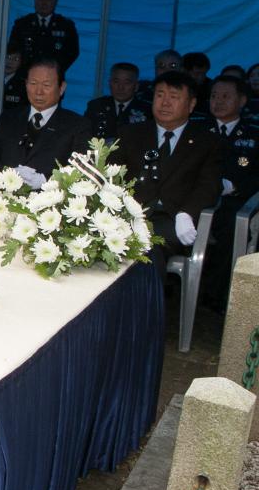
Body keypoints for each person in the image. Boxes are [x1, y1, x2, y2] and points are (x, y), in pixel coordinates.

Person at [110, 70, 222, 276]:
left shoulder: (206, 141)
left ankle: (144, 306)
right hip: (129, 216)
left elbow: (210, 185)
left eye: (174, 97)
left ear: (191, 104)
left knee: (147, 249)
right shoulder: (131, 133)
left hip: (173, 218)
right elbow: (112, 175)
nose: (165, 103)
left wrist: (187, 213)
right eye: (160, 95)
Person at [0, 57, 91, 187]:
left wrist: (46, 181)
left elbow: (81, 172)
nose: (39, 92)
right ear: (26, 84)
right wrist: (9, 174)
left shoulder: (77, 125)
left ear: (62, 87)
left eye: (46, 85)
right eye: (33, 83)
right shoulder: (10, 117)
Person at [201, 75, 258, 309]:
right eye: (214, 96)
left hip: (234, 201)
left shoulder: (254, 134)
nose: (219, 102)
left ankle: (215, 295)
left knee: (234, 224)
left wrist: (236, 187)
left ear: (242, 100)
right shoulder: (197, 128)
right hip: (197, 197)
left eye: (226, 96)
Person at [7, 0, 80, 73]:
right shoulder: (22, 24)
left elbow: (73, 52)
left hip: (53, 78)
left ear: (56, 1)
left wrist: (56, 70)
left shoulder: (66, 26)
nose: (44, 2)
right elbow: (13, 50)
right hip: (25, 78)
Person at [84, 62, 150, 140]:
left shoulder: (147, 110)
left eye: (127, 82)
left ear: (136, 86)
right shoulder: (96, 106)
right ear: (110, 83)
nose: (120, 87)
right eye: (116, 81)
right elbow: (84, 134)